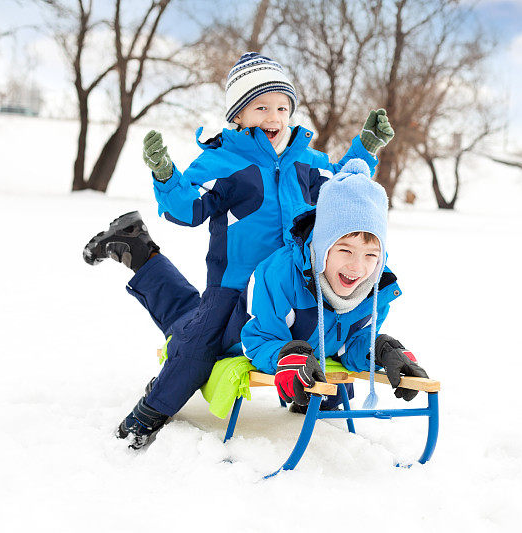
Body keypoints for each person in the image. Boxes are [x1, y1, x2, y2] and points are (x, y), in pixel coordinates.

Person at [82, 52, 394, 449]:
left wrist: (364, 150)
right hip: (234, 285)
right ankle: (150, 412)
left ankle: (136, 247)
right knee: (199, 347)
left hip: (295, 284)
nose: (274, 117)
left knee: (313, 336)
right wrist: (166, 176)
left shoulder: (308, 161)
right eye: (260, 106)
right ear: (239, 116)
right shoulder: (223, 160)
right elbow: (189, 208)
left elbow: (341, 190)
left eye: (282, 107)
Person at [240, 158, 429, 412]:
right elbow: (259, 338)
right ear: (322, 245)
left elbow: (349, 346)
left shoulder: (376, 289)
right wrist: (288, 355)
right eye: (345, 250)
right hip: (256, 338)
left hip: (321, 367)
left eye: (371, 255)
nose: (357, 267)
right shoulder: (281, 275)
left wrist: (381, 350)